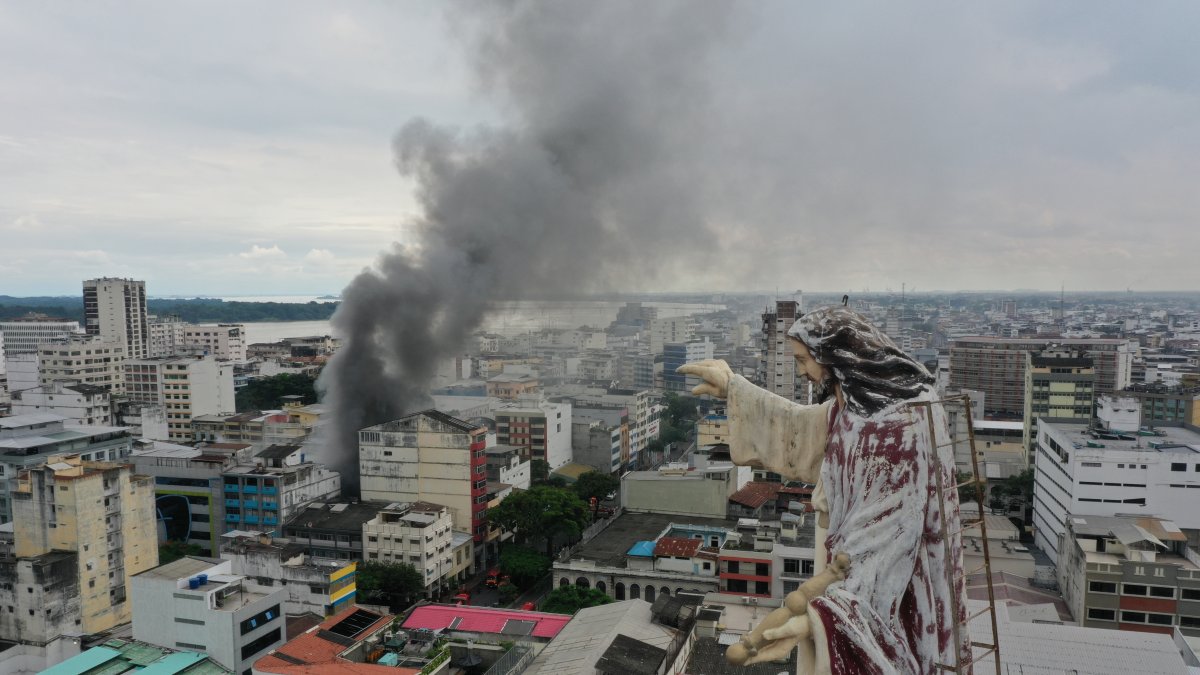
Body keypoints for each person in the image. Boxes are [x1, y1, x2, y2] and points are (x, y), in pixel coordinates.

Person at [678, 306, 969, 674]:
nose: (801, 370)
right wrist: (735, 390)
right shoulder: (862, 409)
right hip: (839, 564)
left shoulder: (896, 430)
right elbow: (801, 428)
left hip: (870, 587)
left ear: (834, 355)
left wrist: (814, 618)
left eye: (803, 360)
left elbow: (886, 545)